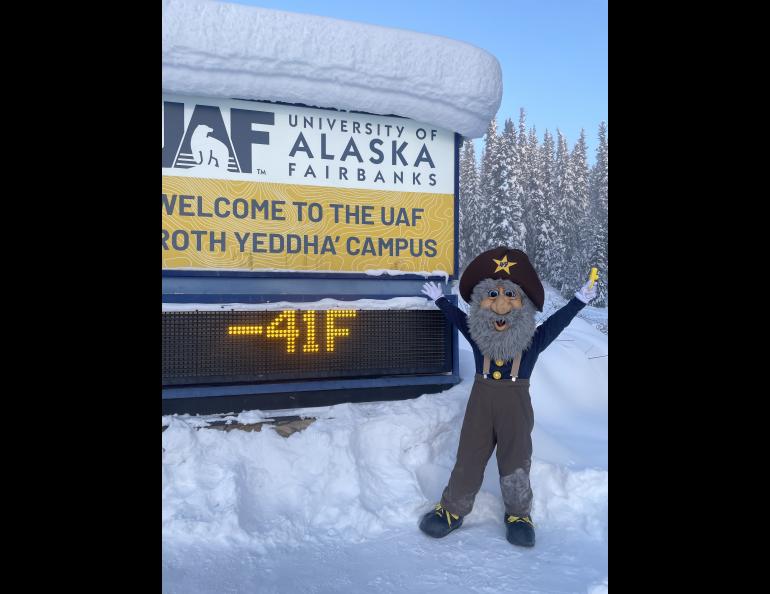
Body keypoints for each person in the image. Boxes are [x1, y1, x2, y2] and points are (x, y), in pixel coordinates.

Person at [419, 246, 597, 547]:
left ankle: (518, 515)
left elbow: (557, 324)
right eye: (492, 295)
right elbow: (458, 319)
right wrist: (439, 300)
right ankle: (452, 510)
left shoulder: (532, 341)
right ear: (481, 301)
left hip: (516, 406)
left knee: (516, 459)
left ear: (523, 303)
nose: (501, 304)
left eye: (510, 296)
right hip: (480, 402)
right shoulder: (478, 335)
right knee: (469, 457)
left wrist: (578, 301)